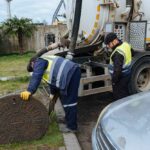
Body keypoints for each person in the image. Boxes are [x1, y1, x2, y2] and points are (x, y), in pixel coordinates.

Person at [20, 54, 81, 133]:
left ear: (32, 63)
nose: (34, 71)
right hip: (69, 74)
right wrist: (52, 94)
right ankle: (68, 119)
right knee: (65, 100)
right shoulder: (45, 61)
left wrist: (29, 90)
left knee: (69, 102)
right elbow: (53, 81)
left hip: (71, 73)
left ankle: (72, 127)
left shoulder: (39, 61)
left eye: (33, 69)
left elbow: (37, 75)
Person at [104, 33, 134, 100]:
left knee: (119, 97)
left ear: (114, 41)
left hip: (120, 78)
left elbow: (117, 71)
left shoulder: (118, 53)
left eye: (109, 44)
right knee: (125, 92)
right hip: (127, 74)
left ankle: (124, 109)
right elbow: (132, 53)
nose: (108, 46)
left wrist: (114, 81)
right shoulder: (126, 44)